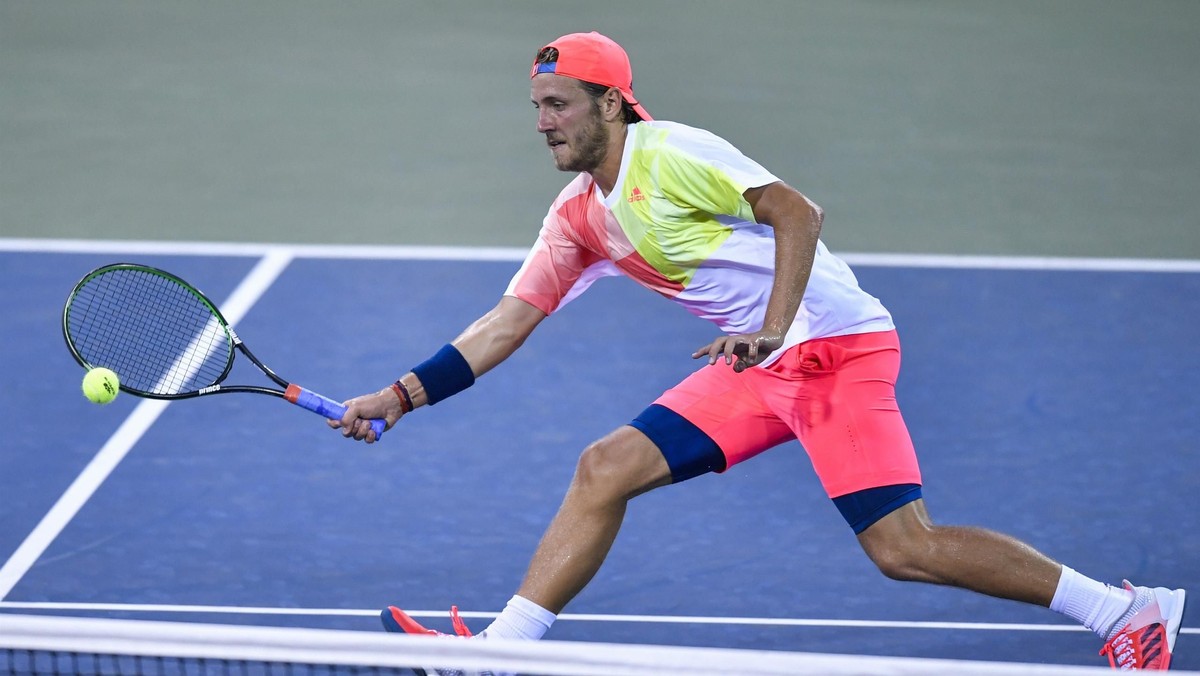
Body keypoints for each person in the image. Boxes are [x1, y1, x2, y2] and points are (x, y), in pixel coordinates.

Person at [331, 31, 1186, 672]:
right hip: (758, 363)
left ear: (614, 102)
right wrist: (399, 395)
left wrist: (774, 328)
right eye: (537, 108)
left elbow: (798, 212)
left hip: (836, 349)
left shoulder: (673, 153)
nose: (544, 123)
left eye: (560, 104)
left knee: (902, 550)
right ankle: (503, 653)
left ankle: (1123, 612)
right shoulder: (577, 219)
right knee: (606, 467)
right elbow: (505, 324)